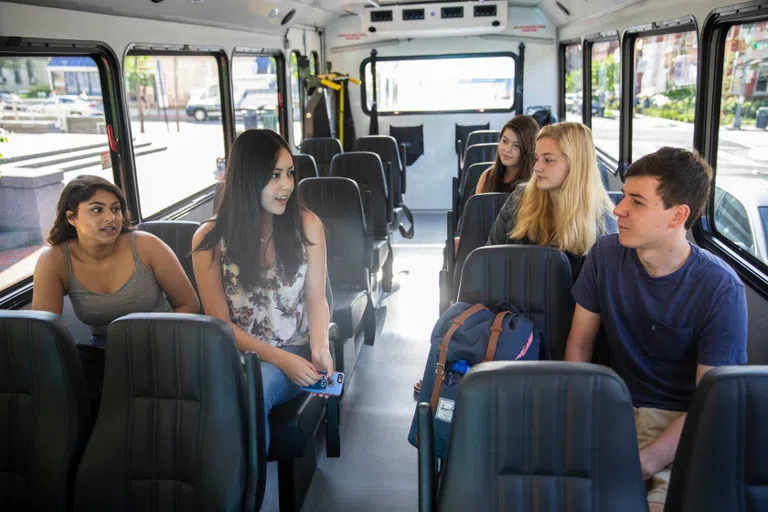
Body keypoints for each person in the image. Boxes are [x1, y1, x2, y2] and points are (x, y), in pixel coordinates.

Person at [564, 147, 748, 511]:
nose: (618, 209)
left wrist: (646, 460)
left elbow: (711, 404)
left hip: (682, 425)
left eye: (637, 202)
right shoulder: (605, 255)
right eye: (623, 197)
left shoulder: (720, 288)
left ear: (677, 215)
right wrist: (581, 420)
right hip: (612, 405)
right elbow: (579, 345)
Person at [192, 129, 333, 450]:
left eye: (289, 174)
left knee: (252, 392)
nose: (287, 185)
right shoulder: (208, 240)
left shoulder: (307, 225)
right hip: (236, 355)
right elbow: (220, 323)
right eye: (274, 176)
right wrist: (277, 359)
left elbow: (316, 297)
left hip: (294, 351)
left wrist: (320, 347)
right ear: (246, 178)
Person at [31, 175, 200, 408]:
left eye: (116, 209)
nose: (111, 218)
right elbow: (43, 330)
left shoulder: (146, 245)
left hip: (164, 346)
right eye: (97, 210)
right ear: (71, 218)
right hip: (107, 356)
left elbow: (189, 304)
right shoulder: (54, 260)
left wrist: (155, 341)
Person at [486, 121, 617, 279]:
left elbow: (602, 294)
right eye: (536, 159)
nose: (537, 168)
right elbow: (489, 259)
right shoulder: (520, 199)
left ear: (575, 165)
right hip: (508, 301)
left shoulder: (603, 223)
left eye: (548, 160)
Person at [474, 115, 539, 195]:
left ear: (527, 150)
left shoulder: (535, 182)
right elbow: (478, 207)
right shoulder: (487, 177)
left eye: (516, 146)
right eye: (504, 141)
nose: (507, 149)